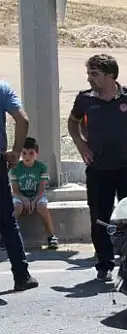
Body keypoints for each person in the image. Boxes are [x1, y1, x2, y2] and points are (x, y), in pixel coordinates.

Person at [66, 54, 127, 282]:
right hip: (99, 169)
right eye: (89, 73)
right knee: (100, 217)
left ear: (110, 75)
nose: (89, 78)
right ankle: (104, 264)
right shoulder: (85, 99)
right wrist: (81, 145)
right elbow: (72, 122)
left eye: (94, 74)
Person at [0, 80, 39, 291]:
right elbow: (22, 120)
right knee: (7, 222)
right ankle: (21, 276)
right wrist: (15, 153)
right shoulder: (2, 88)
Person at [10, 137, 60, 250]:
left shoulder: (41, 167)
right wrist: (24, 199)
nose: (27, 157)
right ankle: (6, 236)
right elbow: (15, 190)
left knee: (42, 207)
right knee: (16, 207)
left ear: (36, 153)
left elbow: (42, 188)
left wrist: (35, 199)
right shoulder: (16, 167)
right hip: (20, 196)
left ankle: (51, 236)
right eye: (24, 153)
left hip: (38, 195)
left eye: (31, 153)